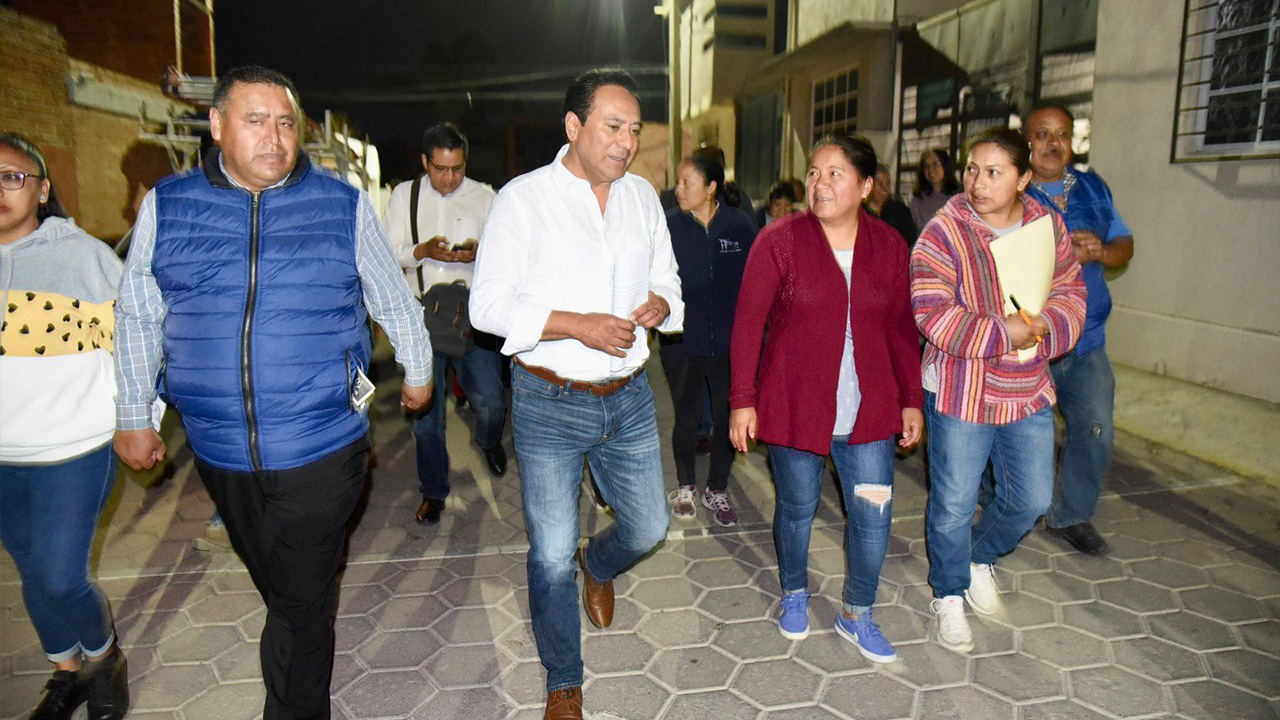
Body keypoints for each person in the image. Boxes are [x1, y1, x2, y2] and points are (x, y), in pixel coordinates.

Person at [112, 65, 433, 720]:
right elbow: (139, 316)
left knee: (300, 605)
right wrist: (133, 412)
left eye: (286, 123)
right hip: (218, 449)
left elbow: (392, 299)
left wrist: (418, 370)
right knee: (286, 590)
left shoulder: (341, 205)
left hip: (324, 440)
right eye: (256, 120)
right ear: (217, 124)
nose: (275, 137)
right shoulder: (167, 207)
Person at [470, 68, 683, 720]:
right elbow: (486, 307)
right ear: (574, 125)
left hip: (629, 396)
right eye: (613, 127)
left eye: (634, 129)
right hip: (549, 400)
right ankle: (564, 679)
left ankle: (602, 564)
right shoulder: (523, 200)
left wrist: (659, 303)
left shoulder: (642, 198)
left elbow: (669, 280)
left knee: (649, 526)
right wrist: (576, 325)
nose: (627, 142)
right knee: (550, 554)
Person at [729, 135, 924, 663]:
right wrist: (743, 400)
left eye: (836, 173)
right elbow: (747, 324)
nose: (820, 183)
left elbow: (901, 328)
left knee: (873, 516)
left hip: (870, 412)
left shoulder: (889, 246)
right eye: (814, 172)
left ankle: (857, 613)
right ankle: (794, 591)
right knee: (797, 509)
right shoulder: (779, 240)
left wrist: (911, 398)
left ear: (866, 185)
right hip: (796, 405)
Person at [911, 128, 1085, 654]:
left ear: (1023, 178)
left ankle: (978, 558)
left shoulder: (1046, 226)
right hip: (962, 389)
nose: (977, 182)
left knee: (1032, 498)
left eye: (994, 172)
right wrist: (1002, 332)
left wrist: (1046, 326)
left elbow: (1070, 292)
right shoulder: (945, 231)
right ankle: (948, 593)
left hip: (1025, 387)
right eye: (972, 169)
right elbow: (931, 311)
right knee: (954, 503)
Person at [0, 133, 131, 720]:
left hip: (73, 449)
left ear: (42, 189)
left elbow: (133, 345)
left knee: (60, 576)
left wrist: (138, 420)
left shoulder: (84, 258)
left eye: (12, 177)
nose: (0, 190)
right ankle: (66, 671)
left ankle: (103, 658)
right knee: (31, 573)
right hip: (3, 456)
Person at [383, 122, 507, 525]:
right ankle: (434, 491)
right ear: (425, 162)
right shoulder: (404, 195)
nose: (450, 178)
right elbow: (389, 253)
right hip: (422, 317)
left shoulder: (485, 197)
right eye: (441, 169)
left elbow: (506, 253)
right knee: (426, 416)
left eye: (457, 169)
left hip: (473, 317)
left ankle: (487, 440)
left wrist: (478, 253)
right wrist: (421, 251)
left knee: (491, 402)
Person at [1023, 105, 1134, 556]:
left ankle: (1070, 514)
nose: (1053, 144)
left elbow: (1125, 242)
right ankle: (1003, 504)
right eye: (1042, 135)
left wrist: (1103, 251)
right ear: (1026, 142)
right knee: (1016, 432)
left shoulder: (1093, 187)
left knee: (1094, 428)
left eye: (1062, 134)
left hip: (1087, 340)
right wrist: (1066, 253)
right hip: (1030, 340)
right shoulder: (1011, 189)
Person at [662, 151, 755, 526]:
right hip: (681, 341)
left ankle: (716, 488)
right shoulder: (668, 226)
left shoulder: (739, 226)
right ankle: (685, 485)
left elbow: (756, 281)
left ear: (712, 186)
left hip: (728, 343)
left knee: (725, 417)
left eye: (687, 182)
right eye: (678, 182)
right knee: (685, 418)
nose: (679, 189)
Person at [908, 148, 960, 234]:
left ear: (945, 166)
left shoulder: (960, 195)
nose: (931, 169)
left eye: (935, 164)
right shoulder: (917, 199)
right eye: (926, 166)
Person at [864, 163, 918, 246]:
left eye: (887, 183)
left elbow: (910, 238)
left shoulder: (899, 210)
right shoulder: (860, 213)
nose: (885, 188)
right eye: (880, 183)